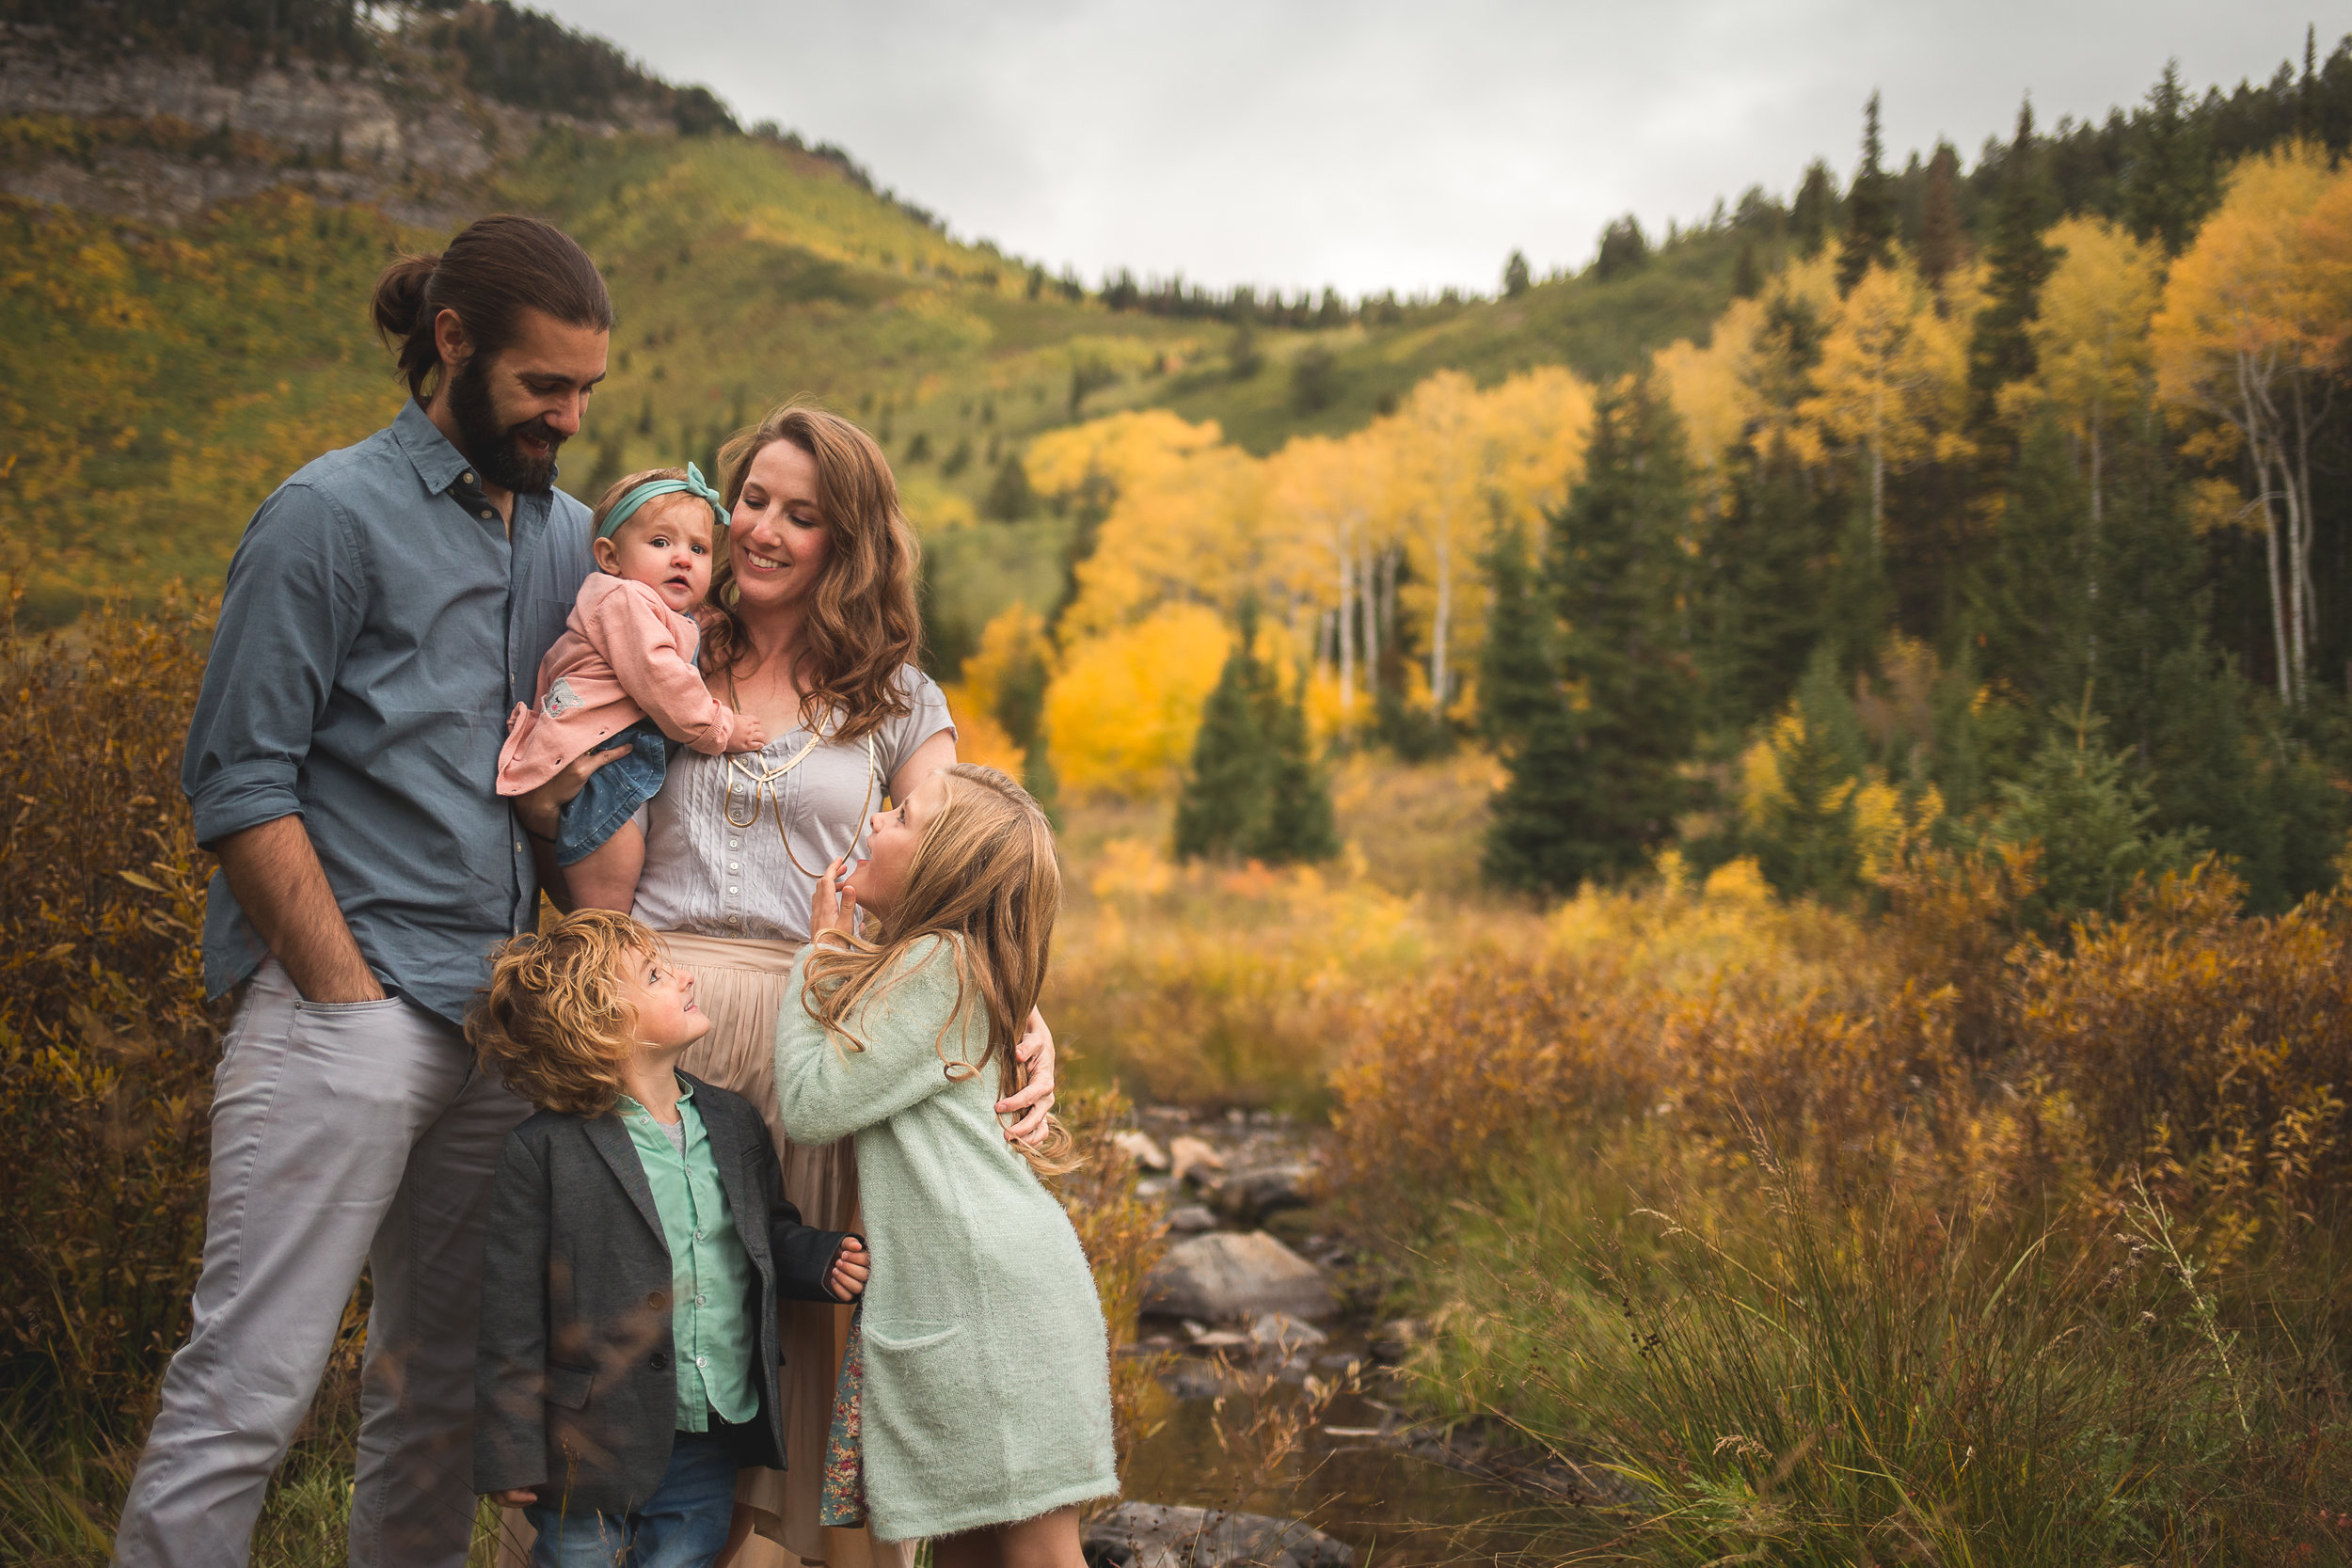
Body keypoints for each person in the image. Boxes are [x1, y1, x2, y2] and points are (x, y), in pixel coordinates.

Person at [119, 214, 612, 1568]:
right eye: (541, 388)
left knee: (435, 1396)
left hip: (501, 1037)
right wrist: (342, 995)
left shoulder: (573, 539)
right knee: (248, 1387)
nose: (566, 419)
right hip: (348, 1019)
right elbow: (238, 780)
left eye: (586, 393)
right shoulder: (325, 516)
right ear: (452, 343)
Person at [515, 404, 1058, 1568]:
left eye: (800, 515)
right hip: (651, 1027)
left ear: (846, 542)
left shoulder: (899, 697)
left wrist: (1021, 1013)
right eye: (751, 499)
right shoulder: (654, 639)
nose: (760, 529)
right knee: (642, 1350)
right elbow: (562, 793)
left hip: (820, 1040)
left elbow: (969, 875)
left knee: (803, 1355)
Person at [776, 764, 1116, 1563]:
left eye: (901, 815)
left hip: (994, 1310)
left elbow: (814, 1102)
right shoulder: (949, 963)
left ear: (942, 867)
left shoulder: (938, 965)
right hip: (981, 1297)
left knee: (1036, 1548)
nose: (878, 820)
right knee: (970, 1546)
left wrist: (818, 948)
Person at [469, 911, 868, 1568]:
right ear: (599, 1022)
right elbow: (511, 1311)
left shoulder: (733, 1120)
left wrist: (820, 1261)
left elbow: (762, 1233)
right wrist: (509, 1443)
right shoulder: (543, 1148)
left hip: (708, 1427)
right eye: (656, 974)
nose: (684, 973)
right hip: (587, 1441)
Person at [498, 465, 769, 911]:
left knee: (625, 876)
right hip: (598, 761)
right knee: (609, 898)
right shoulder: (622, 600)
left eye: (698, 549)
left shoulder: (646, 606)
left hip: (605, 750)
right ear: (610, 557)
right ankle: (607, 959)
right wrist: (720, 727)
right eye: (661, 543)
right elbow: (661, 676)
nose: (682, 558)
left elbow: (675, 634)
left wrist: (711, 632)